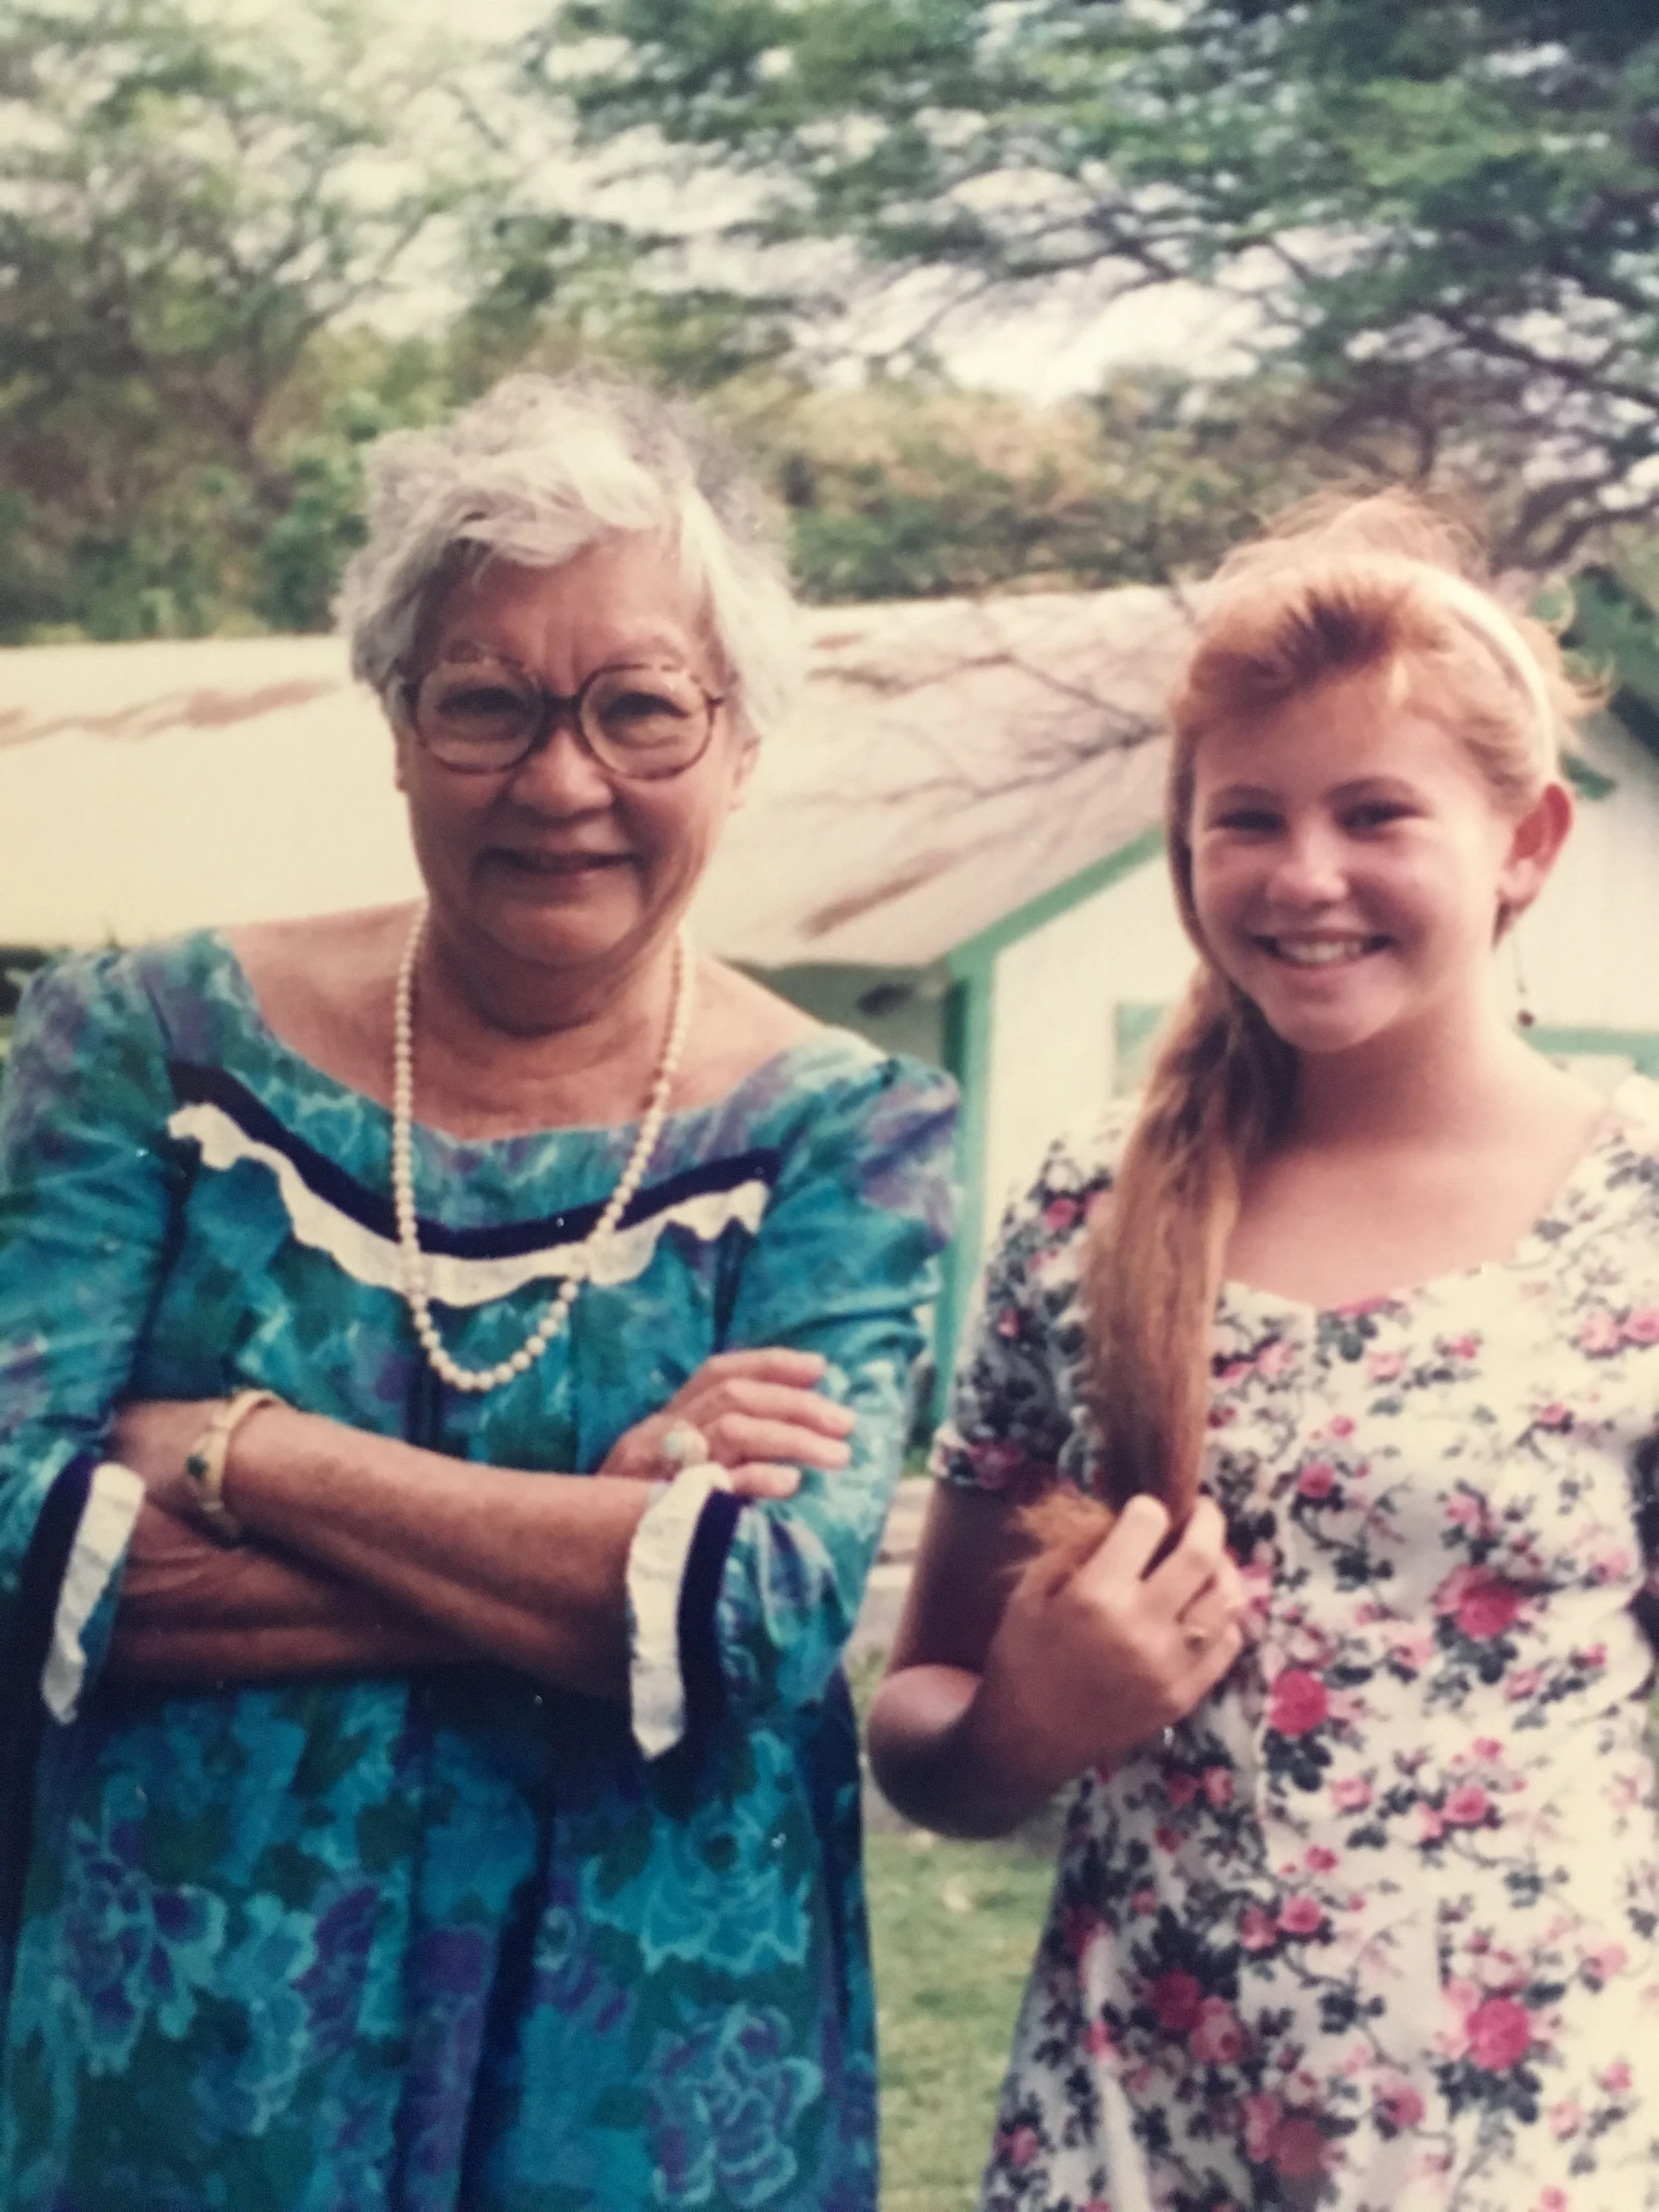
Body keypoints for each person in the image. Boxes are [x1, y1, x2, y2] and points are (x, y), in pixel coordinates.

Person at [0, 372, 956, 2212]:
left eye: (638, 708)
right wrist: (593, 1547)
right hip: (193, 2069)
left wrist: (244, 1453)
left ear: (740, 735)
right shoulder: (142, 1049)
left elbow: (749, 1622)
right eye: (486, 703)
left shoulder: (845, 1130)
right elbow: (22, 1548)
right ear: (397, 725)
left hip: (651, 2084)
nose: (561, 779)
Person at [869, 492, 1659, 2210]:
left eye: (1375, 812)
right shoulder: (1090, 1208)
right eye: (1248, 820)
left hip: (1526, 2150)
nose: (1305, 876)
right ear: (1185, 847)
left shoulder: (1639, 1210)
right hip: (1131, 2139)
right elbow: (914, 1721)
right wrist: (1026, 1721)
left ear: (1525, 841)